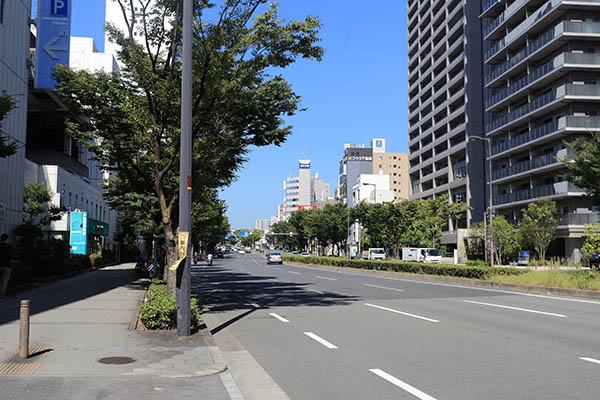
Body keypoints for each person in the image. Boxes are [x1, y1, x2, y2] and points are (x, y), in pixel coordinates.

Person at [0, 234, 15, 300]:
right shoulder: (9, 246)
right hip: (7, 265)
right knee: (4, 282)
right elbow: (12, 255)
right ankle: (1, 295)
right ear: (7, 239)